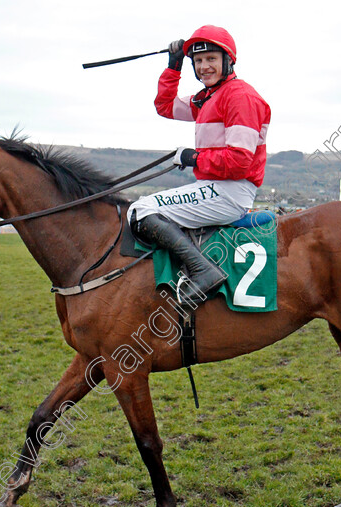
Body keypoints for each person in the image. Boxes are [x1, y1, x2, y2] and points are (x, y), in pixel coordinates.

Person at [128, 25, 271, 305]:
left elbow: (239, 162)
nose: (204, 67)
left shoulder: (240, 97)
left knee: (140, 210)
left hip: (230, 192)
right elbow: (165, 106)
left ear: (228, 61)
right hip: (213, 187)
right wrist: (173, 65)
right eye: (198, 61)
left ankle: (203, 271)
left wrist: (192, 158)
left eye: (211, 59)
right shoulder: (207, 97)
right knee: (142, 207)